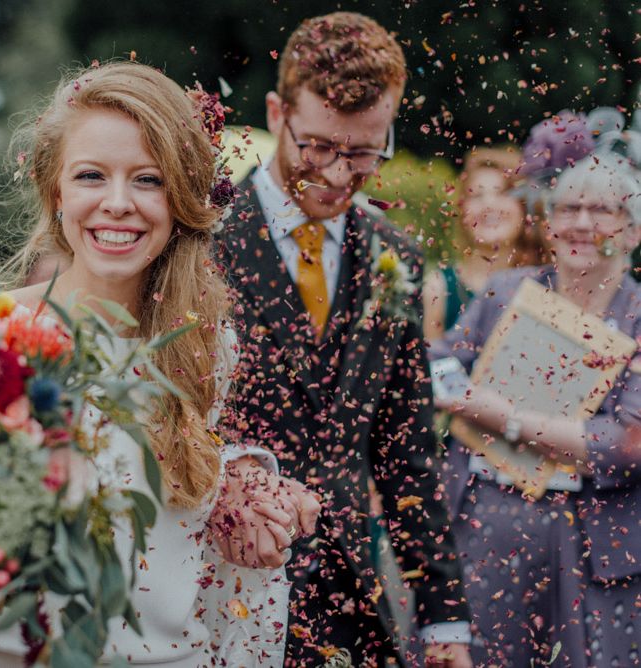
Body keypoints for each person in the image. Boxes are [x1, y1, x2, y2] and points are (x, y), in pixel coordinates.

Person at [0, 60, 320, 667]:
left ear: (182, 197)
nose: (117, 204)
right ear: (56, 191)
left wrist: (253, 489)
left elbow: (170, 485)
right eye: (90, 176)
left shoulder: (210, 348)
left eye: (148, 180)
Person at [218, 12, 472, 667]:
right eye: (320, 147)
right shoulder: (202, 245)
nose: (337, 175)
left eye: (363, 152)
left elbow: (406, 451)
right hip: (222, 590)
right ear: (277, 113)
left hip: (351, 599)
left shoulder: (398, 260)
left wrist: (444, 617)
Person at [429, 153, 641, 666]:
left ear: (632, 232)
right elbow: (437, 362)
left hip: (588, 542)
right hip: (482, 523)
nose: (583, 224)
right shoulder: (507, 290)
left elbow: (625, 446)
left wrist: (507, 419)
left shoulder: (637, 318)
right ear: (547, 224)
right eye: (568, 208)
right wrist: (459, 392)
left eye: (603, 210)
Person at [423, 147, 538, 341]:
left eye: (503, 193)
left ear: (524, 206)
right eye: (476, 196)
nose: (489, 205)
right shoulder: (438, 289)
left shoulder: (547, 281)